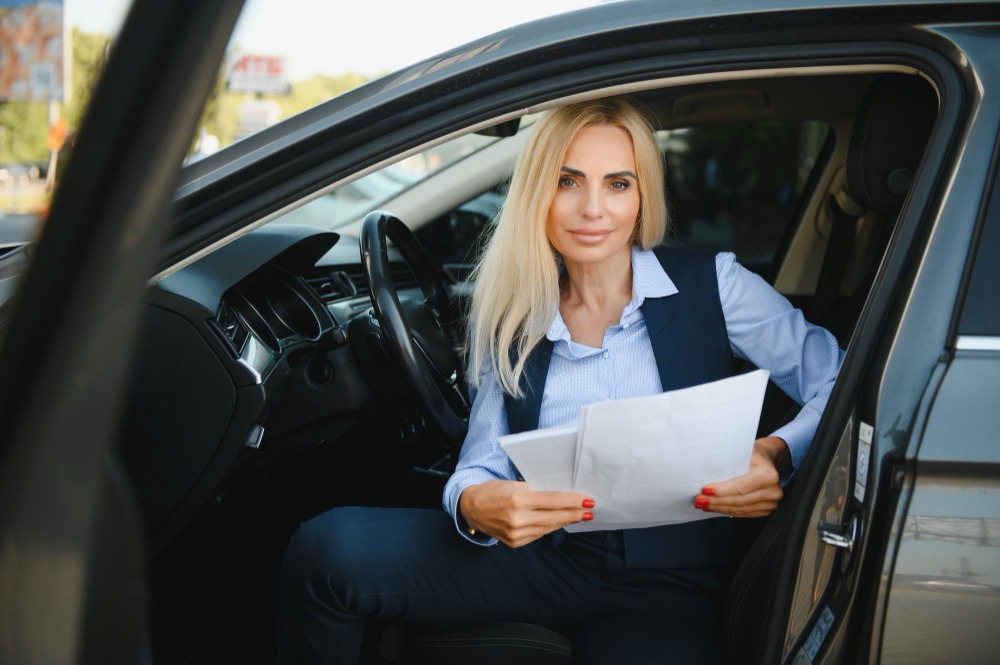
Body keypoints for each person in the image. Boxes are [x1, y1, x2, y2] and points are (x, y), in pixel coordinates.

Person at [275, 96, 843, 664]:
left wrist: (777, 454)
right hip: (536, 558)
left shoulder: (716, 285)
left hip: (664, 581)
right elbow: (480, 463)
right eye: (569, 182)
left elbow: (840, 381)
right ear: (537, 195)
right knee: (325, 550)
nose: (593, 208)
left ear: (643, 196)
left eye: (618, 184)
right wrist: (473, 502)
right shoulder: (515, 313)